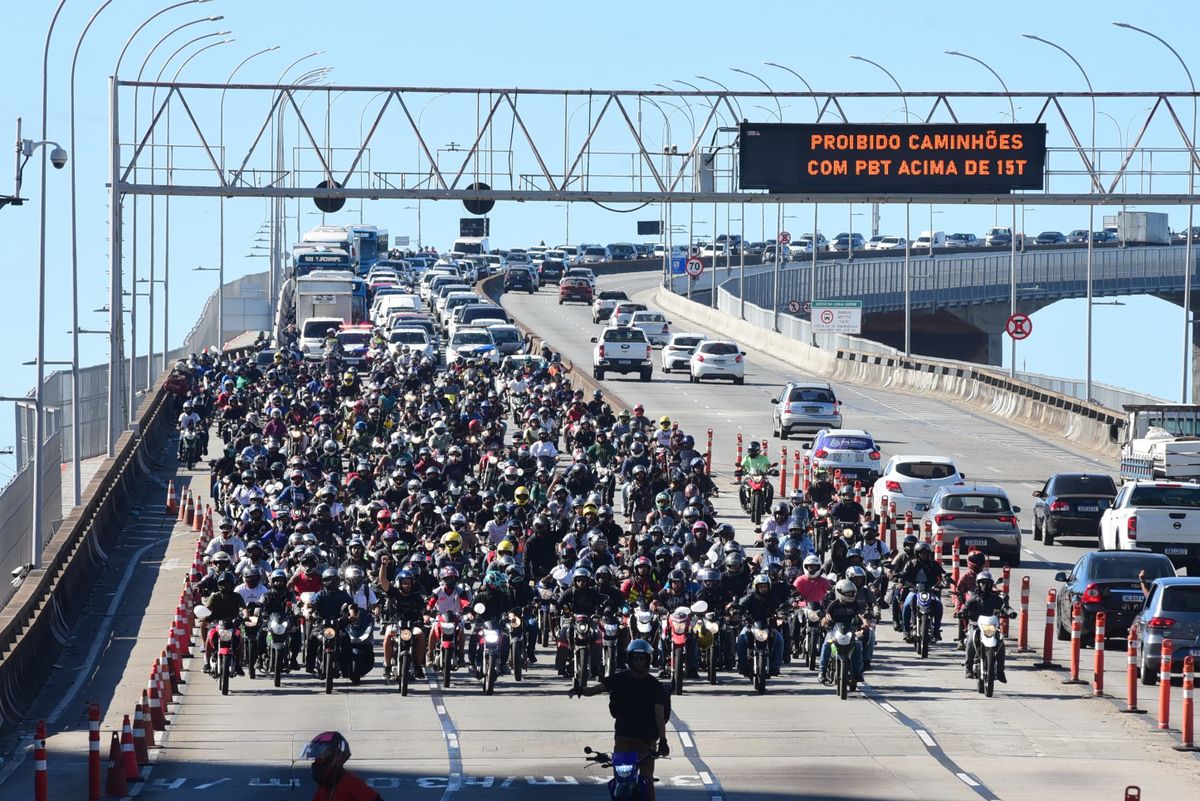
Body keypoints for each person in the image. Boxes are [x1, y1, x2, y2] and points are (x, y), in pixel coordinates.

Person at [570, 640, 670, 801]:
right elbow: (597, 689)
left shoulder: (655, 686)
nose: (638, 661)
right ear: (630, 659)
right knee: (621, 783)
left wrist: (663, 741)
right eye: (635, 658)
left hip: (646, 743)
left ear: (648, 660)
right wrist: (581, 690)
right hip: (624, 740)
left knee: (647, 781)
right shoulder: (620, 679)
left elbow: (660, 716)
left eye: (642, 658)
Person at [961, 570, 1016, 683]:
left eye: (987, 583)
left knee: (1001, 644)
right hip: (976, 626)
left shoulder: (996, 599)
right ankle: (968, 668)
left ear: (991, 585)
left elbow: (1004, 607)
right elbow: (965, 607)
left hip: (991, 627)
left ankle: (1000, 671)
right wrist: (962, 612)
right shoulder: (974, 599)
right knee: (970, 640)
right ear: (978, 584)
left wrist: (1010, 612)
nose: (984, 586)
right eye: (982, 583)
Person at [301, 731, 381, 801]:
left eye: (320, 760)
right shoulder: (325, 786)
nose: (316, 764)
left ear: (334, 759)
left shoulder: (351, 783)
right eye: (315, 760)